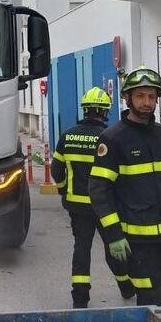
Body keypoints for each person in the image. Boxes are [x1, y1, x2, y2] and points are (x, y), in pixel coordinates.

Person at [88, 67, 161, 309]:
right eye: (140, 96)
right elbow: (99, 190)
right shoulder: (112, 138)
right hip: (137, 240)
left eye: (152, 97)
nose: (147, 102)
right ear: (127, 98)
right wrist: (114, 236)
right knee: (150, 296)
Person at [51, 87, 135, 308]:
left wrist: (62, 190)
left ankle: (80, 298)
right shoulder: (109, 137)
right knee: (112, 246)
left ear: (85, 109)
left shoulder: (67, 136)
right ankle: (126, 285)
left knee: (82, 248)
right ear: (105, 112)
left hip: (77, 206)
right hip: (106, 207)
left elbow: (56, 169)